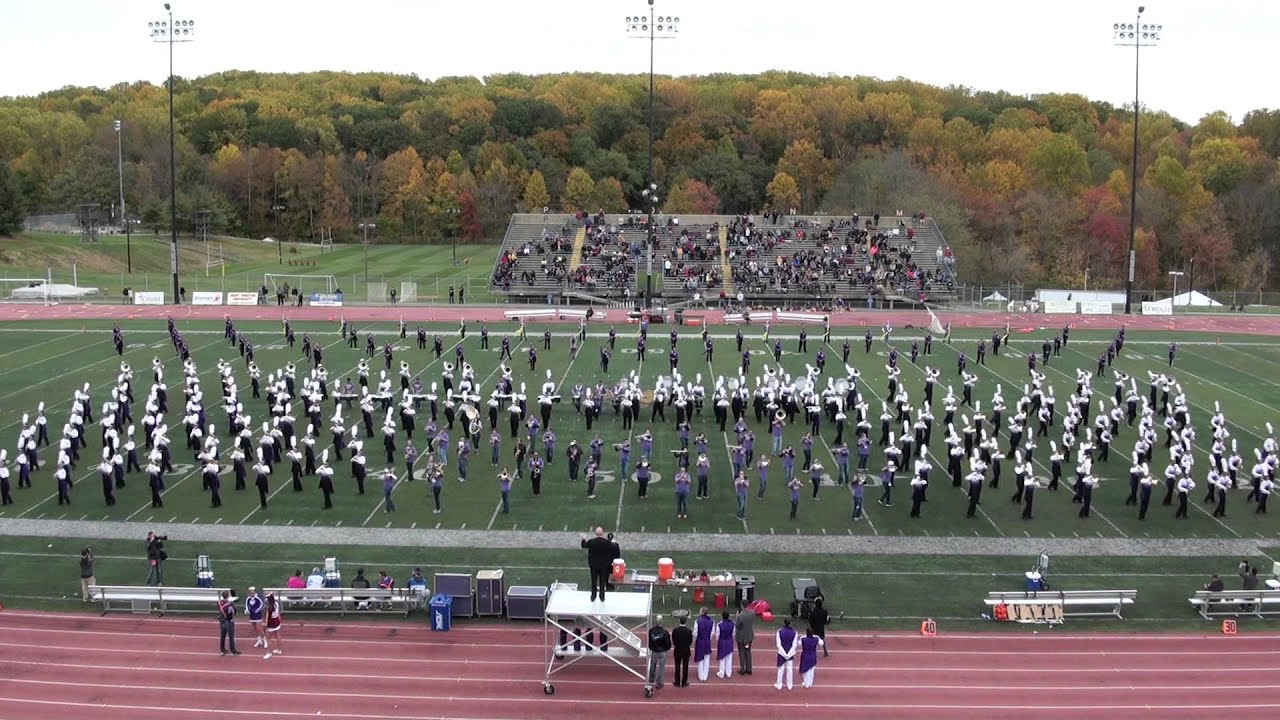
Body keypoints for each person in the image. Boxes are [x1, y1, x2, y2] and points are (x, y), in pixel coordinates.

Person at [581, 527, 613, 602]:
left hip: (594, 564)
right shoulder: (606, 542)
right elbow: (612, 547)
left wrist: (583, 538)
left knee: (594, 581)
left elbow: (584, 545)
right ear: (602, 533)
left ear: (595, 533)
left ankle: (593, 596)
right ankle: (602, 597)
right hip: (603, 565)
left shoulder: (591, 541)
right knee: (602, 581)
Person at [647, 615, 671, 691]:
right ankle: (659, 683)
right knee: (661, 668)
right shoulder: (665, 632)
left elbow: (650, 641)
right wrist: (666, 648)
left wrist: (651, 648)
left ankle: (651, 678)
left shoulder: (651, 631)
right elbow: (668, 643)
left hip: (654, 651)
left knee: (652, 665)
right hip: (663, 651)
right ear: (662, 622)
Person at [775, 618, 799, 690]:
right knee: (789, 669)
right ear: (790, 623)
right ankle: (789, 685)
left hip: (781, 653)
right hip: (790, 653)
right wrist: (789, 654)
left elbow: (778, 645)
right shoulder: (795, 632)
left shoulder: (779, 631)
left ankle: (779, 684)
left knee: (780, 669)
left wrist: (784, 654)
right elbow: (794, 645)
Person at [671, 614, 693, 687]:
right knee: (685, 667)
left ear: (679, 621)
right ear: (685, 621)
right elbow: (690, 641)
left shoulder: (675, 630)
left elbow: (674, 641)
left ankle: (677, 682)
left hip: (677, 650)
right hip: (686, 651)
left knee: (677, 667)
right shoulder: (689, 631)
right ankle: (684, 682)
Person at [218, 590, 241, 656]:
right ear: (228, 596)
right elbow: (234, 612)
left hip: (222, 621)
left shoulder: (219, 603)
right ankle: (232, 651)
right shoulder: (230, 604)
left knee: (223, 636)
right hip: (229, 621)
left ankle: (222, 650)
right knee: (231, 637)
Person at [694, 606, 714, 682]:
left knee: (700, 658)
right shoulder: (712, 621)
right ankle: (705, 675)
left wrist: (696, 639)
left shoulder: (697, 621)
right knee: (707, 658)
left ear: (702, 612)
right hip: (707, 641)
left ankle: (701, 676)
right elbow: (712, 632)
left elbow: (695, 633)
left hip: (700, 641)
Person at [736, 604, 756, 675]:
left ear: (741, 605)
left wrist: (737, 617)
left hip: (742, 637)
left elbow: (737, 626)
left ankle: (742, 669)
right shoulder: (752, 613)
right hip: (749, 636)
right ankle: (749, 669)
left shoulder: (740, 616)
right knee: (748, 651)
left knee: (741, 652)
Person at [262, 592, 283, 659]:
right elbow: (278, 613)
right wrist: (279, 620)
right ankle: (279, 650)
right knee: (278, 636)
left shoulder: (269, 607)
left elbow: (268, 618)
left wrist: (266, 626)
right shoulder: (276, 603)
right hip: (277, 621)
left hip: (271, 623)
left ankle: (269, 653)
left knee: (268, 639)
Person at [715, 610, 735, 678]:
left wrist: (718, 639)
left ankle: (721, 673)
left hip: (722, 642)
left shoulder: (719, 624)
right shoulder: (733, 623)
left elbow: (717, 634)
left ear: (722, 616)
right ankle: (728, 673)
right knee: (729, 658)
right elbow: (733, 633)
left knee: (722, 658)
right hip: (729, 641)